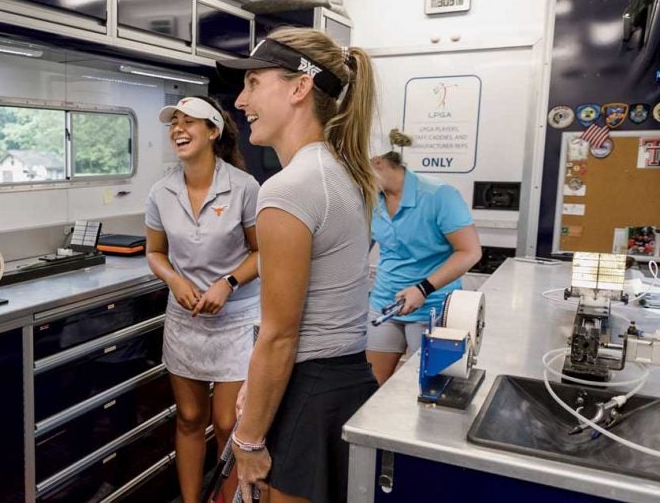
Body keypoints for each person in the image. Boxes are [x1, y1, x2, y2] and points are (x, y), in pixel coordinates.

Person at [216, 29, 380, 503]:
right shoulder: (341, 172)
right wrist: (257, 387)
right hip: (343, 380)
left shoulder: (289, 189)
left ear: (299, 87)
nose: (241, 100)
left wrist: (248, 440)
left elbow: (280, 335)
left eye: (254, 83)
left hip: (309, 390)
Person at [145, 96, 260, 503]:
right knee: (191, 417)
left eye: (189, 122)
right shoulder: (161, 192)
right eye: (174, 122)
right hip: (185, 319)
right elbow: (155, 253)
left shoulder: (245, 187)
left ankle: (227, 499)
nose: (178, 128)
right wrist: (174, 281)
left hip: (237, 318)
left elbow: (262, 252)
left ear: (213, 132)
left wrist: (228, 282)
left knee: (229, 422)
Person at [367, 132, 482, 385]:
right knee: (373, 386)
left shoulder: (438, 195)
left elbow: (470, 252)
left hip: (433, 306)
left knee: (427, 388)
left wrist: (423, 288)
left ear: (377, 162)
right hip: (385, 303)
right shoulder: (372, 199)